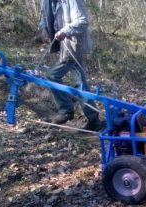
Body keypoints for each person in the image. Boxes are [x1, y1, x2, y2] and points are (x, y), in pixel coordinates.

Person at [39, 0, 102, 131]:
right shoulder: (46, 1)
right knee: (80, 83)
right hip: (65, 46)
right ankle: (94, 119)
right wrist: (43, 27)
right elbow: (44, 16)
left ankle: (66, 110)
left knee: (52, 75)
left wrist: (65, 31)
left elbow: (83, 20)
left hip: (75, 46)